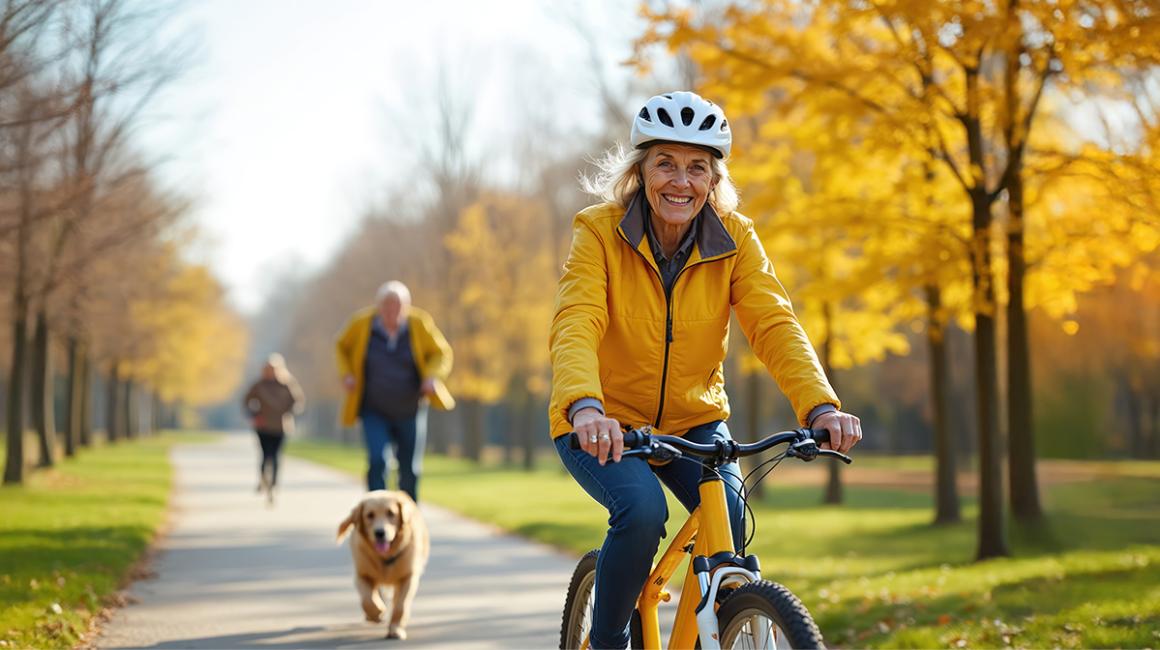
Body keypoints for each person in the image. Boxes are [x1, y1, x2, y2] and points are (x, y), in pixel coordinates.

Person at [549, 91, 863, 649]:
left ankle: (707, 632)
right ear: (640, 171)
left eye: (697, 167)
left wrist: (821, 405)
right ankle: (608, 641)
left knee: (732, 524)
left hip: (696, 420)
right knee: (642, 513)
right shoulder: (598, 231)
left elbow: (774, 323)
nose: (681, 181)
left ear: (714, 179)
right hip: (605, 424)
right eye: (665, 163)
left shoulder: (735, 239)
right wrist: (585, 406)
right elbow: (578, 318)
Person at [335, 281, 454, 500]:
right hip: (373, 409)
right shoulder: (362, 324)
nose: (392, 311)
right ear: (378, 306)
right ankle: (374, 514)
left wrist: (431, 377)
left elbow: (442, 353)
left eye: (398, 305)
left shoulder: (419, 324)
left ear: (407, 306)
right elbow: (341, 346)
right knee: (378, 460)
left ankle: (408, 521)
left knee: (409, 469)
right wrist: (347, 374)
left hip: (410, 408)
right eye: (387, 305)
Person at [243, 353, 304, 496]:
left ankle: (274, 484)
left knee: (276, 455)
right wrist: (254, 414)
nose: (270, 372)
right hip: (263, 426)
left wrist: (289, 412)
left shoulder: (287, 384)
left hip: (281, 426)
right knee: (265, 455)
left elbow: (298, 401)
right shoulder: (259, 385)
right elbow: (247, 401)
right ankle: (263, 479)